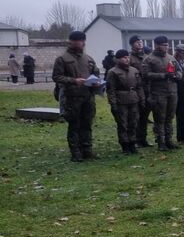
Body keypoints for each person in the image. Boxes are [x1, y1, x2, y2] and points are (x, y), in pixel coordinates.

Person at [52, 31, 101, 162]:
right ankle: (76, 153)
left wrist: (96, 83)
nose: (83, 43)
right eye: (80, 41)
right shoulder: (63, 59)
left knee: (87, 124)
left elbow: (95, 73)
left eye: (84, 41)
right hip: (72, 97)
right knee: (74, 125)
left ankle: (87, 150)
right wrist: (74, 81)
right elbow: (56, 77)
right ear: (72, 42)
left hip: (88, 96)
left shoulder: (88, 58)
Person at [142, 35, 182, 151]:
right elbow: (146, 74)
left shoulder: (171, 58)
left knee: (170, 117)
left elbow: (179, 70)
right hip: (158, 93)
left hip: (172, 91)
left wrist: (177, 76)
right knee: (160, 118)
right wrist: (163, 75)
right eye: (164, 45)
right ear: (157, 45)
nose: (167, 47)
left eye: (167, 45)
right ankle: (161, 141)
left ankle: (169, 140)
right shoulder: (149, 59)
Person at [106, 49, 144, 154]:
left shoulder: (134, 70)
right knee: (123, 124)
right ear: (118, 59)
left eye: (128, 57)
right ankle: (125, 145)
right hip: (121, 101)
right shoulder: (113, 72)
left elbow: (139, 86)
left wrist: (142, 99)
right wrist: (113, 103)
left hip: (133, 99)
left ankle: (132, 142)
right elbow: (111, 89)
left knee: (134, 122)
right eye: (124, 57)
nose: (127, 59)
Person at [129, 35, 151, 147]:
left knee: (145, 116)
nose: (139, 44)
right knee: (135, 116)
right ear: (132, 44)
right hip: (136, 90)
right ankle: (135, 139)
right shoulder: (129, 58)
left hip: (147, 89)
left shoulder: (147, 57)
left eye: (141, 42)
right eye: (137, 42)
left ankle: (143, 139)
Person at [173, 44, 184, 142]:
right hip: (178, 90)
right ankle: (181, 136)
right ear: (178, 52)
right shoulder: (174, 62)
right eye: (182, 53)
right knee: (180, 115)